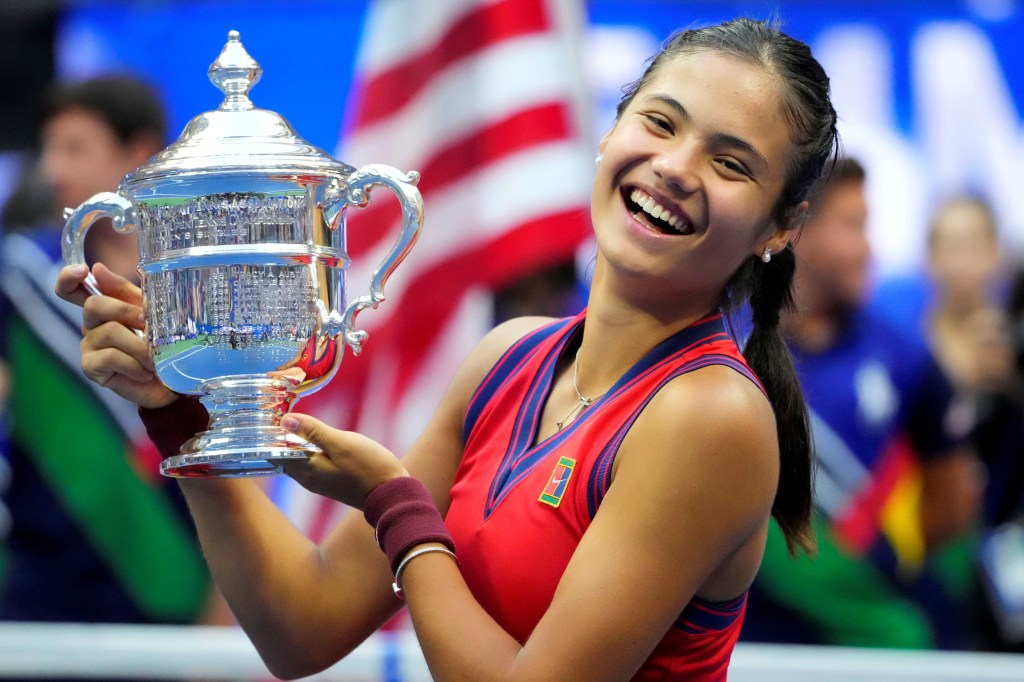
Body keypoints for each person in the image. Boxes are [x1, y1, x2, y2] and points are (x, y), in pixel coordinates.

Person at [57, 18, 836, 680]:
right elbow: (304, 626)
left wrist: (397, 508)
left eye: (730, 163)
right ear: (612, 129)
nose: (675, 167)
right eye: (660, 123)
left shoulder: (712, 414)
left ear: (779, 227)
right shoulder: (509, 358)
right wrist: (181, 415)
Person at [0, 75, 217, 626]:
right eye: (49, 148)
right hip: (41, 591)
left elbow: (236, 445)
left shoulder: (199, 287)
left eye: (75, 148)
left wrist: (227, 602)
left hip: (179, 577)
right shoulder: (20, 283)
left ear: (138, 152)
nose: (54, 170)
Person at [743, 158, 984, 650]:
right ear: (801, 230)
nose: (869, 247)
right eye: (855, 226)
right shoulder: (727, 346)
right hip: (749, 643)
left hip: (882, 643)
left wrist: (896, 565)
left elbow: (953, 500)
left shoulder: (905, 355)